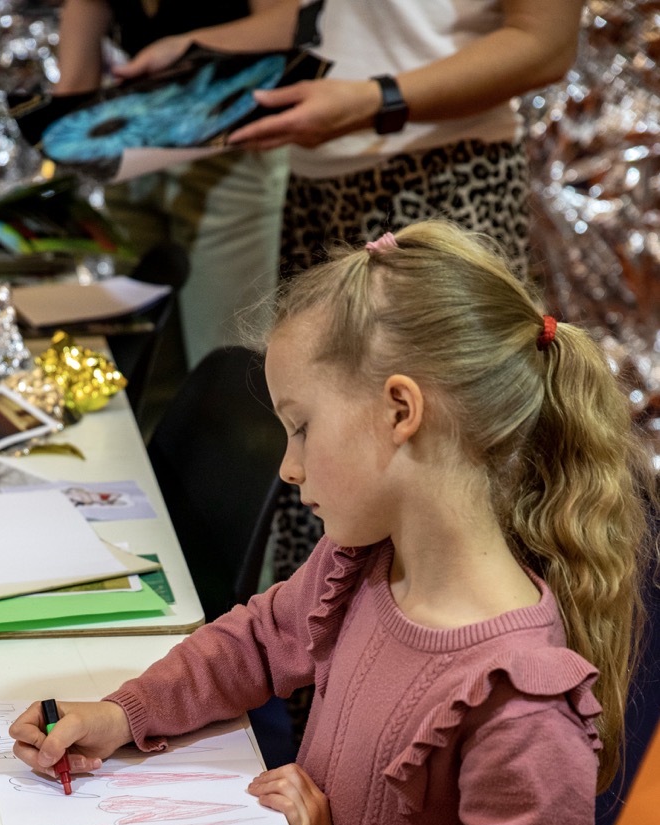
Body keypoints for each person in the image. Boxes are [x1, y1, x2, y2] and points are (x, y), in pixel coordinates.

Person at [10, 221, 656, 825]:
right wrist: (122, 713)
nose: (288, 465)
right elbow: (255, 640)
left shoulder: (518, 700)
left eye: (302, 427)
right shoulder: (365, 564)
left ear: (399, 410)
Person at [118, 0, 584, 573]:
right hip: (318, 183)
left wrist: (375, 100)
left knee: (438, 479)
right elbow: (322, 17)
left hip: (438, 174)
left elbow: (545, 42)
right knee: (326, 467)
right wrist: (199, 52)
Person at [54, 0, 290, 417]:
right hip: (134, 143)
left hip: (229, 142)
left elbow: (294, 20)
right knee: (138, 350)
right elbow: (79, 51)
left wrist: (192, 46)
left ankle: (221, 457)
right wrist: (64, 130)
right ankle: (146, 455)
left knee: (224, 355)